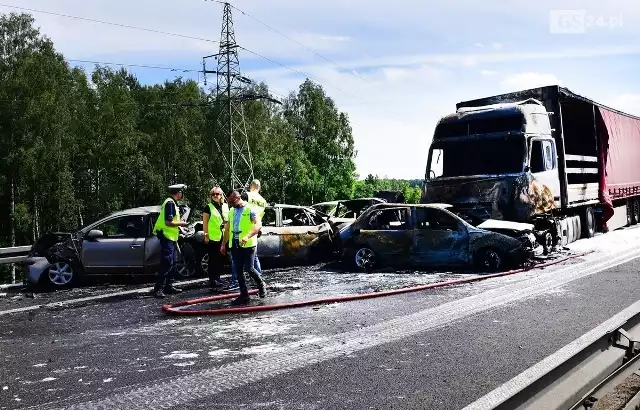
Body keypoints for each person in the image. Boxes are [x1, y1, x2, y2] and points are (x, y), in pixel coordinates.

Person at [221, 190, 266, 304]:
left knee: (249, 268)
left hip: (249, 243)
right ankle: (244, 295)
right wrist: (223, 244)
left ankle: (261, 285)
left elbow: (258, 224)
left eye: (231, 202)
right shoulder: (231, 211)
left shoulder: (250, 209)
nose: (231, 205)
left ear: (237, 198)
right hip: (235, 244)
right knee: (238, 270)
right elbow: (227, 229)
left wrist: (247, 236)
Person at [152, 183, 189, 298]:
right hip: (166, 237)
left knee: (173, 262)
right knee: (167, 263)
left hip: (171, 237)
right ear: (179, 193)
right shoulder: (169, 203)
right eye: (181, 193)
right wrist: (182, 223)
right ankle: (158, 289)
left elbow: (173, 221)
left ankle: (169, 286)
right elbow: (168, 222)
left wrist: (181, 228)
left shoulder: (172, 203)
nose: (182, 195)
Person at [202, 186, 229, 291]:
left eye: (217, 194)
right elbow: (205, 223)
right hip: (213, 237)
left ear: (221, 195)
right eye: (213, 194)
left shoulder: (226, 206)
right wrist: (206, 235)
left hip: (223, 237)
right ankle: (212, 280)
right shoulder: (208, 207)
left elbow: (227, 220)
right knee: (213, 260)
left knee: (221, 259)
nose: (215, 196)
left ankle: (218, 278)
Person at [245, 179, 267, 275]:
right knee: (254, 254)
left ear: (250, 186)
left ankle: (237, 280)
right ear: (259, 187)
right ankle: (259, 276)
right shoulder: (263, 201)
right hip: (256, 228)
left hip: (245, 227)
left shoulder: (247, 195)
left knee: (238, 256)